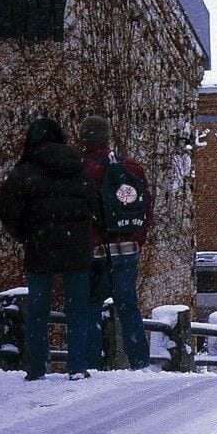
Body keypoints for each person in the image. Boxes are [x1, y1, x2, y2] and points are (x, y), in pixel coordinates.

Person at [0, 117, 99, 380]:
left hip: (40, 246)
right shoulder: (76, 166)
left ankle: (36, 367)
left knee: (38, 311)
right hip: (76, 247)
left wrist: (26, 235)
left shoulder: (24, 171)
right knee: (77, 309)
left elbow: (7, 209)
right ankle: (76, 366)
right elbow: (93, 203)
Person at [79, 115, 152, 371]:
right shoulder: (130, 168)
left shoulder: (82, 169)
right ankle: (140, 361)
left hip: (96, 250)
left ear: (84, 139)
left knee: (91, 306)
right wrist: (136, 238)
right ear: (107, 137)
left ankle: (92, 364)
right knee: (128, 306)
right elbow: (146, 208)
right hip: (127, 248)